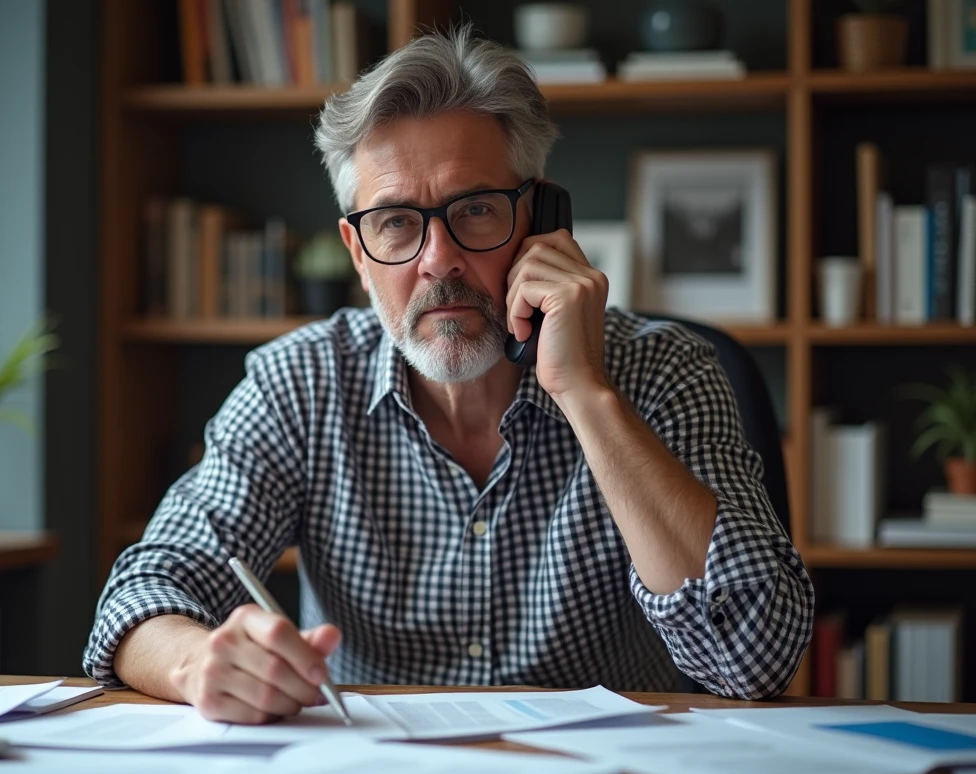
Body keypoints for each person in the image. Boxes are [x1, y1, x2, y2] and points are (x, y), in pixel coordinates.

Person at [85, 24, 814, 724]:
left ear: (541, 220)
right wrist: (198, 665)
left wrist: (586, 394)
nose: (438, 260)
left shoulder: (664, 371)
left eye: (474, 210)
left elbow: (756, 657)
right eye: (397, 222)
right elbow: (141, 596)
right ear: (357, 251)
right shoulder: (298, 385)